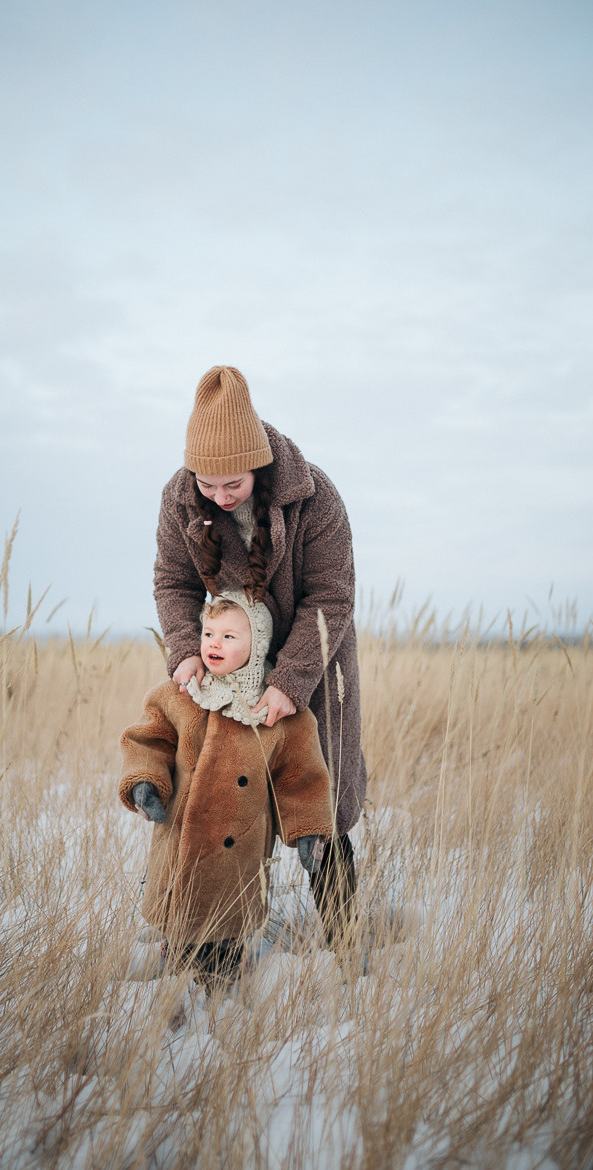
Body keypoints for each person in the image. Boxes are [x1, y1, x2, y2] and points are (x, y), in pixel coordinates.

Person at [153, 365, 368, 952]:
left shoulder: (315, 497)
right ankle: (210, 946)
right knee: (221, 802)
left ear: (259, 463)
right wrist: (185, 650)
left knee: (319, 800)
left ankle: (346, 942)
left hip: (312, 664)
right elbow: (173, 582)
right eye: (207, 484)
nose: (219, 497)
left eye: (233, 484)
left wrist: (290, 681)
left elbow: (331, 596)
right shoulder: (179, 499)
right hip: (225, 669)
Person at [119, 590, 334, 988]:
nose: (214, 644)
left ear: (258, 643)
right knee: (179, 916)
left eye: (229, 636)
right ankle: (175, 962)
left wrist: (307, 830)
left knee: (226, 926)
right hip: (180, 833)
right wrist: (145, 781)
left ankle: (224, 974)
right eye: (209, 633)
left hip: (239, 845)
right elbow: (149, 740)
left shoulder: (278, 711)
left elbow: (300, 778)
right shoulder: (182, 694)